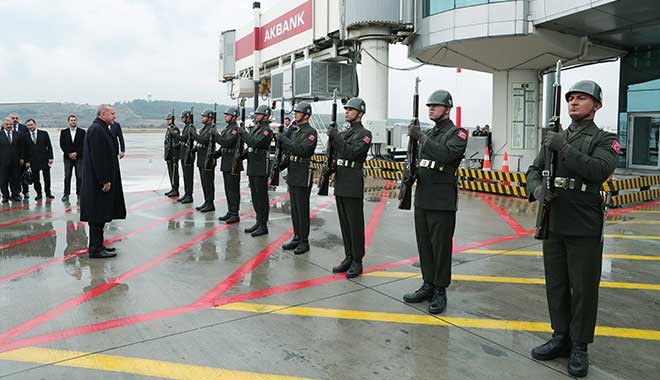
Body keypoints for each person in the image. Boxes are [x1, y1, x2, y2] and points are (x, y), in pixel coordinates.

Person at [526, 80, 618, 378]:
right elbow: (533, 171)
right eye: (571, 98)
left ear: (597, 105)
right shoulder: (556, 136)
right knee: (556, 284)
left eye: (582, 98)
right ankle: (560, 336)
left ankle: (580, 345)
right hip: (554, 217)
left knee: (583, 288)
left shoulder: (605, 139)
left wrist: (563, 147)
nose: (574, 103)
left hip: (583, 220)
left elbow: (598, 171)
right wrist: (538, 190)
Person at [402, 89, 468, 315]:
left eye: (435, 106)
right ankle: (427, 284)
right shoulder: (430, 132)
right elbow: (420, 160)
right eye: (429, 106)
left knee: (441, 247)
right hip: (423, 196)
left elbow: (446, 156)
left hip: (442, 199)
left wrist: (421, 137)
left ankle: (440, 289)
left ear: (447, 109)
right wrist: (410, 175)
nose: (431, 108)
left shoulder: (457, 134)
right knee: (425, 245)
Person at [328, 97, 372, 278]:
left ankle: (357, 260)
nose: (346, 112)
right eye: (346, 109)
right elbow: (337, 152)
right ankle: (348, 256)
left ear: (360, 113)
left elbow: (351, 153)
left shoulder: (365, 134)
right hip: (341, 180)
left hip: (353, 182)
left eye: (350, 110)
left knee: (355, 224)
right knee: (345, 224)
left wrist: (335, 136)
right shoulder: (346, 133)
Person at [80, 104, 126, 259]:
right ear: (103, 114)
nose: (114, 116)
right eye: (112, 113)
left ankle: (99, 245)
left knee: (100, 215)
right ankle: (95, 249)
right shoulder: (97, 130)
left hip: (99, 182)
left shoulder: (101, 128)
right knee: (96, 216)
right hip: (97, 183)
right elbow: (98, 158)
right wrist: (104, 180)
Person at [278, 102, 318, 255]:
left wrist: (285, 139)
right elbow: (290, 152)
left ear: (306, 115)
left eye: (298, 112)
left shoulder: (311, 132)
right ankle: (296, 236)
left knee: (302, 208)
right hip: (293, 171)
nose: (295, 114)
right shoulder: (295, 131)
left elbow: (302, 150)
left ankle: (304, 241)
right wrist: (280, 166)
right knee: (294, 208)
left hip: (303, 172)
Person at [241, 104, 274, 237]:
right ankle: (258, 221)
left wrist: (243, 133)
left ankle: (263, 225)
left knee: (261, 197)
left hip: (260, 166)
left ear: (265, 116)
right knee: (255, 196)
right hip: (253, 165)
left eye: (258, 114)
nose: (256, 116)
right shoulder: (257, 128)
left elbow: (254, 142)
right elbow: (250, 145)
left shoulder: (266, 131)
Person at [191, 109, 220, 213]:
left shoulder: (212, 129)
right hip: (202, 158)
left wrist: (193, 134)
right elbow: (201, 143)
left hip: (208, 159)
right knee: (204, 182)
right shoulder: (205, 128)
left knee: (208, 182)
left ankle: (210, 203)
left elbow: (203, 140)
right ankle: (206, 201)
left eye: (204, 116)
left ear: (209, 118)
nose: (202, 118)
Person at [217, 107, 243, 223]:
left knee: (233, 189)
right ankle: (230, 210)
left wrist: (216, 135)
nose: (225, 117)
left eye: (227, 115)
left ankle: (235, 213)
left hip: (233, 162)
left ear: (233, 117)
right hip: (226, 160)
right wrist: (215, 155)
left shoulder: (235, 130)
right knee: (228, 189)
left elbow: (226, 142)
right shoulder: (228, 128)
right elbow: (223, 146)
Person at [25, 119, 54, 200]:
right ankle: (39, 194)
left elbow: (49, 146)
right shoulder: (25, 136)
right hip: (33, 160)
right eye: (28, 125)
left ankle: (48, 193)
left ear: (35, 124)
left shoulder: (44, 133)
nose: (30, 127)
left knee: (47, 178)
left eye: (31, 124)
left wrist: (51, 157)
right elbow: (25, 150)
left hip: (44, 159)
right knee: (36, 179)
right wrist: (27, 161)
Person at [59, 115, 85, 202]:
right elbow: (62, 144)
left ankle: (80, 194)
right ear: (68, 122)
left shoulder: (82, 132)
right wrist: (69, 153)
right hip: (67, 158)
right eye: (71, 120)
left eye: (74, 120)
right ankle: (66, 194)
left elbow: (84, 144)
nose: (73, 122)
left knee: (80, 176)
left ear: (76, 121)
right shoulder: (64, 132)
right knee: (67, 176)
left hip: (79, 157)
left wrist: (76, 153)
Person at [1, 117, 26, 202]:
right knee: (3, 179)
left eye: (10, 124)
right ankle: (5, 196)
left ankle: (16, 194)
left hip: (16, 161)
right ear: (3, 125)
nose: (9, 126)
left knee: (16, 179)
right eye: (7, 124)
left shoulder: (18, 134)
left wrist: (22, 157)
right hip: (3, 162)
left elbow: (22, 147)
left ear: (13, 125)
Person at [177, 110, 196, 204]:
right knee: (185, 176)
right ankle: (186, 193)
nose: (182, 119)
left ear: (188, 118)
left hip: (189, 155)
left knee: (188, 176)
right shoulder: (186, 127)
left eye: (183, 117)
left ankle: (189, 195)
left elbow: (184, 138)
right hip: (184, 153)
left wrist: (176, 135)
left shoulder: (191, 127)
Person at [10, 113, 30, 199]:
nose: (15, 119)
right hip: (11, 157)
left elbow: (27, 144)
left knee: (24, 175)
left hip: (22, 156)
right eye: (13, 118)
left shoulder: (24, 128)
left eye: (16, 118)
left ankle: (25, 191)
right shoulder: (5, 127)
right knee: (13, 176)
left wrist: (26, 158)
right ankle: (15, 192)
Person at [163, 113, 181, 197]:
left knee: (174, 173)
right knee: (171, 172)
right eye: (167, 119)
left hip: (173, 155)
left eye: (169, 119)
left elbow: (177, 142)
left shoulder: (175, 129)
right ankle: (172, 188)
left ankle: (176, 189)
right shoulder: (169, 129)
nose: (167, 121)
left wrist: (175, 155)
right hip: (169, 154)